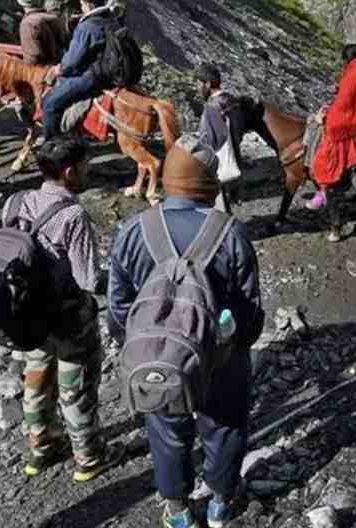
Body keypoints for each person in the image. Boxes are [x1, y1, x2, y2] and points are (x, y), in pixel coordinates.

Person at [108, 136, 264, 528]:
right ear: (209, 183)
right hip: (220, 356)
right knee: (225, 424)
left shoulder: (134, 229)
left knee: (166, 429)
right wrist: (235, 345)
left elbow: (118, 306)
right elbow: (249, 312)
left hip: (159, 356)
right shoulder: (230, 232)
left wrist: (140, 342)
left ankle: (177, 510)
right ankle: (220, 503)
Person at [0, 139, 125, 480]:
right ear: (70, 171)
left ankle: (41, 449)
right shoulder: (72, 214)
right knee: (76, 387)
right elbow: (87, 279)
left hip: (27, 313)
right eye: (85, 165)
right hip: (68, 318)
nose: (88, 170)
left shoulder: (17, 201)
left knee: (36, 381)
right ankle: (88, 457)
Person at [307, 44, 356, 210]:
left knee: (319, 133)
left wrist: (326, 115)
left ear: (347, 59)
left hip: (351, 120)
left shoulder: (353, 75)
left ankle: (323, 188)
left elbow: (343, 105)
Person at [42, 0, 117, 141]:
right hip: (110, 72)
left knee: (50, 103)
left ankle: (52, 144)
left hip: (93, 77)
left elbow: (72, 62)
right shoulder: (111, 20)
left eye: (83, 5)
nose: (82, 8)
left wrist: (58, 69)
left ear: (89, 5)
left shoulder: (87, 27)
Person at [196, 64, 246, 210]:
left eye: (199, 84)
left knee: (219, 202)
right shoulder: (231, 100)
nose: (198, 88)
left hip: (218, 160)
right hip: (234, 154)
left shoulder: (212, 106)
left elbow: (211, 140)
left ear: (208, 84)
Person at [16, 0, 67, 65]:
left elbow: (33, 59)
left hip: (43, 73)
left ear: (20, 2)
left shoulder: (28, 24)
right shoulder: (53, 18)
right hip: (58, 66)